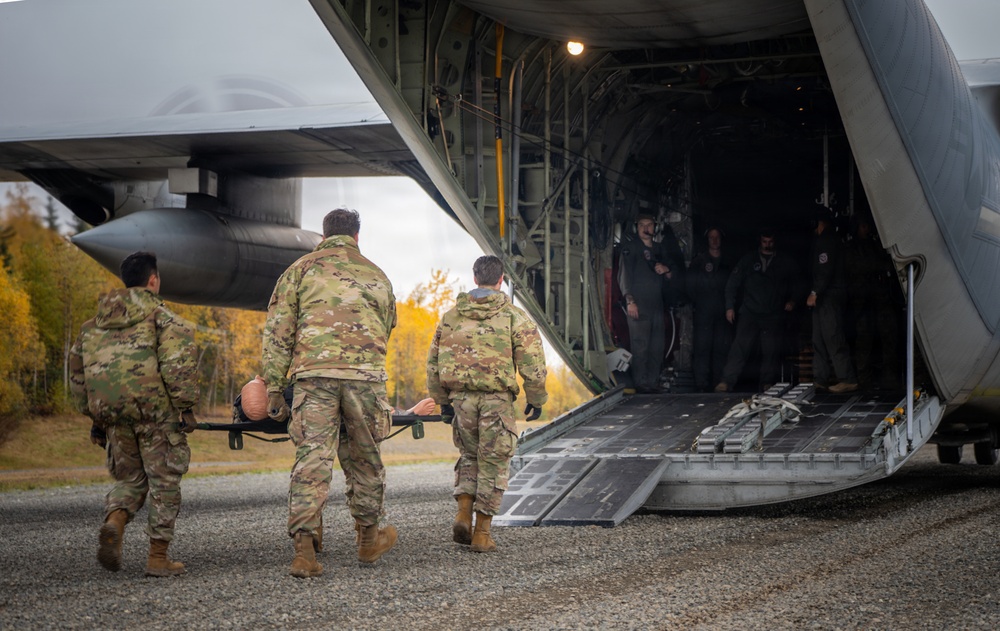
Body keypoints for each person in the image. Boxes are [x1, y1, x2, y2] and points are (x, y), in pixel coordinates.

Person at [261, 207, 398, 577]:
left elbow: (278, 333)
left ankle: (305, 553)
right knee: (364, 459)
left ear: (323, 237)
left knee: (312, 461)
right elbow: (387, 327)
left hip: (314, 378)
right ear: (356, 237)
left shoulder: (299, 271)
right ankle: (369, 540)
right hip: (364, 378)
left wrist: (274, 388)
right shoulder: (377, 274)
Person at [69, 251, 199, 577]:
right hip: (156, 415)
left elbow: (77, 380)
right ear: (153, 280)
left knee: (131, 479)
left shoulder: (92, 326)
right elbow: (176, 367)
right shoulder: (163, 319)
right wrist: (185, 408)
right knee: (164, 482)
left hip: (112, 415)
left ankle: (115, 520)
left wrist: (96, 419)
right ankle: (158, 558)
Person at [426, 255, 547, 552]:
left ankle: (463, 514)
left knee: (469, 456)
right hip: (496, 400)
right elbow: (533, 364)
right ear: (501, 278)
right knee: (494, 461)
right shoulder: (514, 316)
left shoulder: (452, 316)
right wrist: (536, 398)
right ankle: (482, 534)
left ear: (475, 277)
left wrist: (442, 402)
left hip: (461, 400)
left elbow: (433, 364)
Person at [715, 229, 801, 392]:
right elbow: (732, 283)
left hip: (773, 312)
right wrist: (729, 306)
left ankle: (767, 383)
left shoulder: (784, 261)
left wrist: (793, 300)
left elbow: (798, 282)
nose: (767, 245)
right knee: (739, 348)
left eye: (770, 242)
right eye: (764, 242)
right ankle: (726, 381)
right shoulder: (748, 260)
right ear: (759, 241)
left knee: (771, 351)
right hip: (750, 311)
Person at [617, 214, 685, 392]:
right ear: (636, 228)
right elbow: (624, 277)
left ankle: (653, 383)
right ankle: (641, 384)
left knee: (657, 347)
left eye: (649, 225)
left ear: (655, 227)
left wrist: (666, 269)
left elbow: (674, 273)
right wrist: (630, 301)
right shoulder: (630, 249)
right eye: (642, 225)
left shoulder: (660, 249)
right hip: (639, 305)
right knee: (641, 347)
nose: (646, 228)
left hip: (657, 305)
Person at [846, 214, 901, 390]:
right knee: (864, 343)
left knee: (888, 339)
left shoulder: (875, 246)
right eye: (863, 226)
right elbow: (858, 268)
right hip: (862, 303)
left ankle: (889, 379)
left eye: (867, 226)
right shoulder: (852, 248)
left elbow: (886, 266)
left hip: (880, 300)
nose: (866, 230)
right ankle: (864, 380)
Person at [807, 209, 858, 393]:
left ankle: (847, 378)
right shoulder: (824, 240)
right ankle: (820, 378)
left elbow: (824, 270)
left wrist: (814, 292)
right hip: (824, 297)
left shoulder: (827, 240)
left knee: (833, 336)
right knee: (818, 338)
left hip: (829, 295)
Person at [686, 227, 733, 392]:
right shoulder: (699, 261)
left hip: (722, 310)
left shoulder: (728, 262)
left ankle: (718, 382)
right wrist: (698, 303)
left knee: (721, 347)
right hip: (704, 310)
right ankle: (701, 384)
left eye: (717, 237)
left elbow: (735, 286)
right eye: (711, 237)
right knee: (702, 347)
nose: (714, 241)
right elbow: (690, 285)